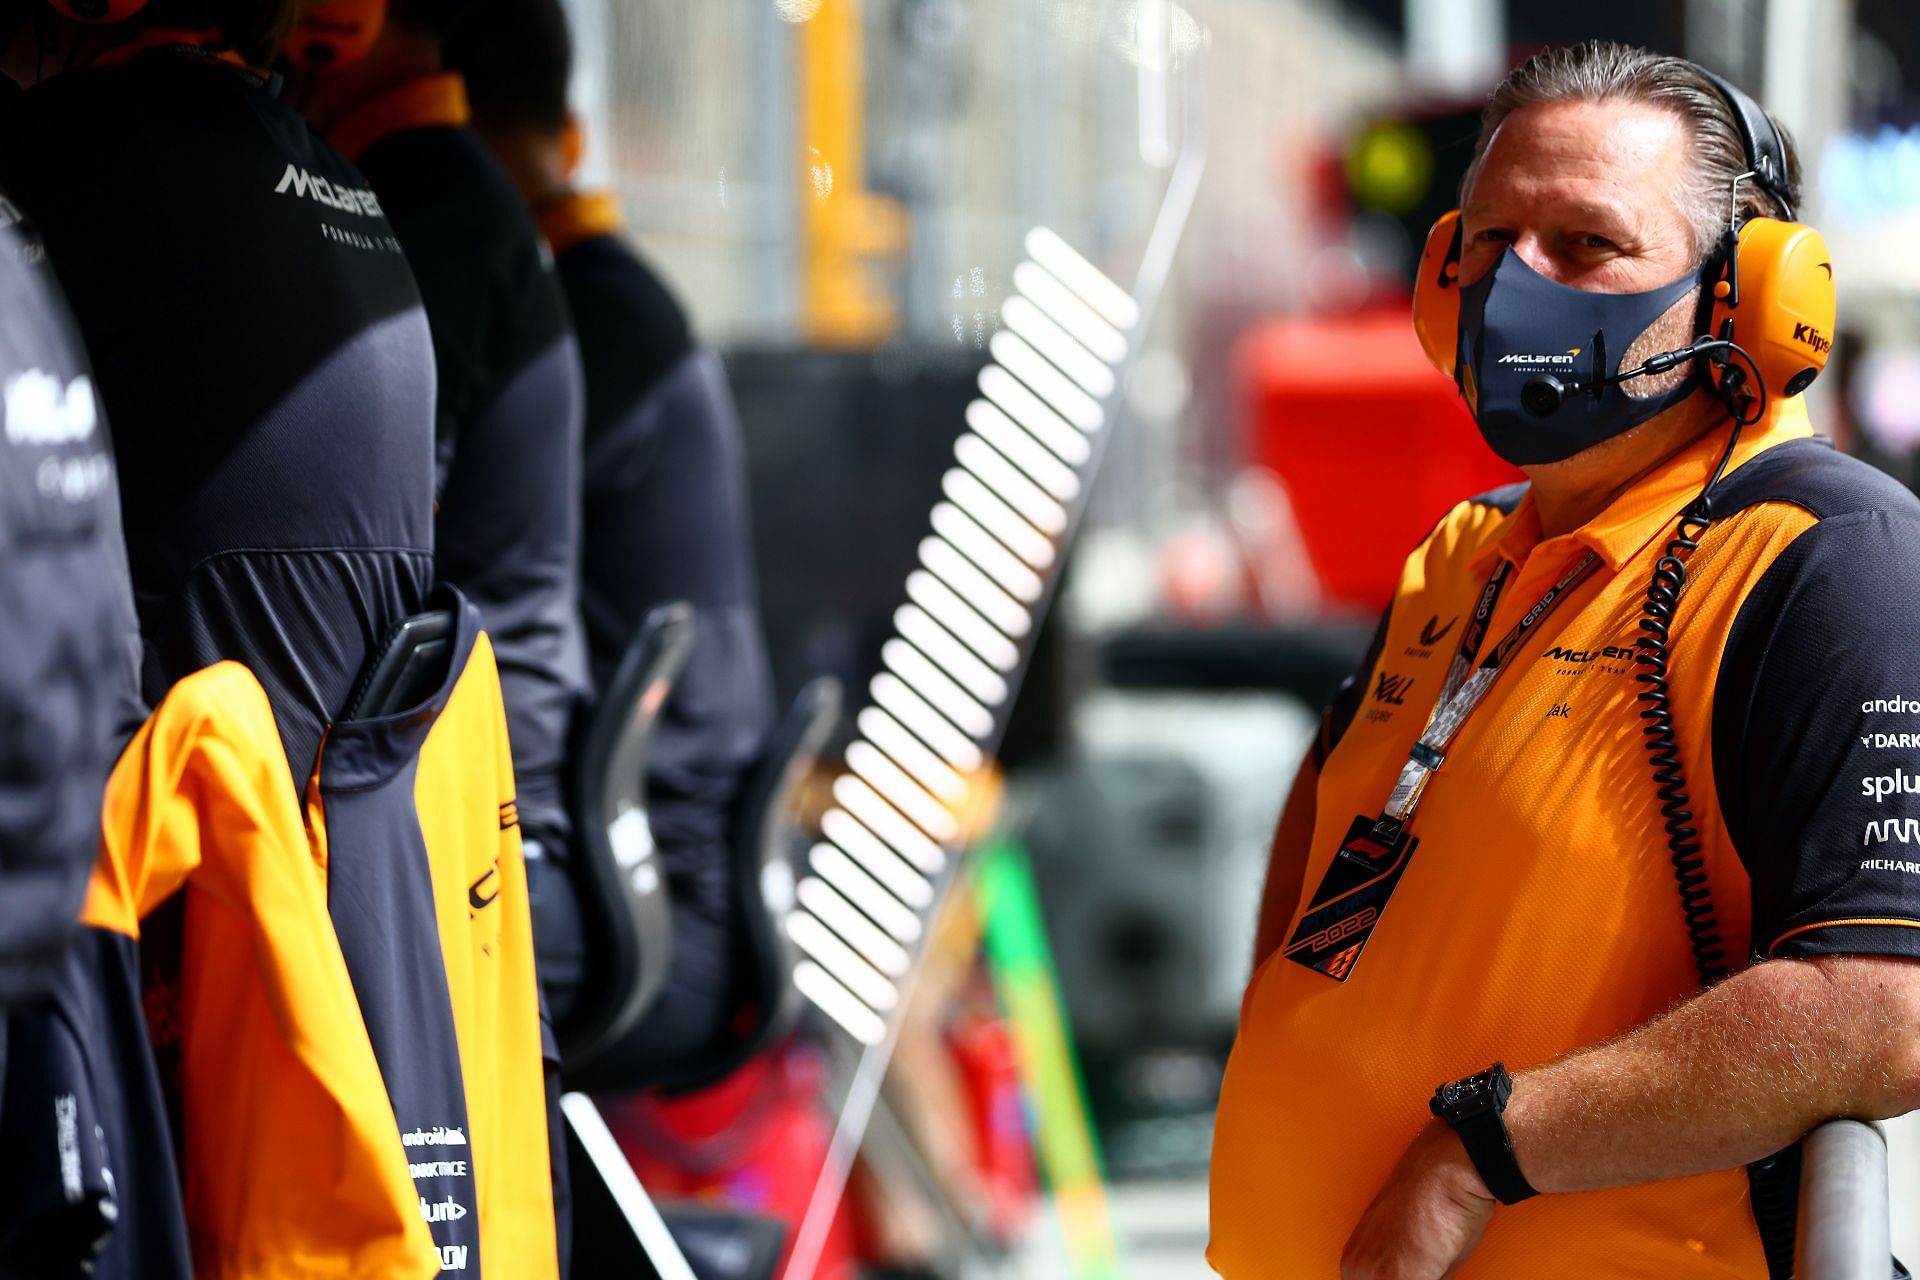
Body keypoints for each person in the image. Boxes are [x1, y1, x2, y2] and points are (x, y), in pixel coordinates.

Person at [1210, 41, 1920, 1280]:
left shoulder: (1825, 554)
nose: (1516, 284)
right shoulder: (1463, 551)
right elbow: (1332, 840)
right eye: (1487, 242)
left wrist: (1479, 1149)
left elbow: (1882, 1004)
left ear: (1748, 295)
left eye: (1588, 244)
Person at [448, 0, 776, 1080]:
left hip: (645, 902)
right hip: (681, 878)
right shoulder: (625, 303)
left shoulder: (571, 329)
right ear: (573, 137)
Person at [292, 0, 593, 1015]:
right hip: (491, 802)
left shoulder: (425, 204)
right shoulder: (442, 192)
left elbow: (371, 542)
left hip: (481, 837)